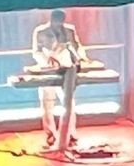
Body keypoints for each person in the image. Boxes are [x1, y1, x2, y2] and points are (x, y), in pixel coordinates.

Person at [31, 9, 90, 154]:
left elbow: (77, 46)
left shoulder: (69, 30)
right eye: (57, 21)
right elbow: (36, 51)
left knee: (68, 102)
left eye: (61, 21)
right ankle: (51, 135)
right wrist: (46, 61)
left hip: (67, 69)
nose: (59, 24)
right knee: (47, 103)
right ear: (51, 19)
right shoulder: (40, 31)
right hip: (48, 70)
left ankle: (70, 134)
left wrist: (82, 58)